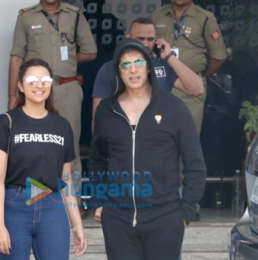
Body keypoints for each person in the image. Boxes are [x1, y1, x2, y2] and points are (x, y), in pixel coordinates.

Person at [89, 38, 206, 260]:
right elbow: (97, 160)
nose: (133, 70)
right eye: (125, 65)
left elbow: (195, 164)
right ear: (118, 71)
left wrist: (186, 211)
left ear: (149, 66)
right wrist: (98, 202)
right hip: (117, 220)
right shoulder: (107, 110)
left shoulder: (174, 108)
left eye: (138, 62)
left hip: (165, 218)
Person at [0, 58, 87, 259]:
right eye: (32, 79)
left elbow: (66, 180)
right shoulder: (5, 123)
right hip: (14, 205)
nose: (39, 85)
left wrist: (77, 225)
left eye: (45, 80)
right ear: (20, 86)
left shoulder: (62, 126)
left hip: (52, 205)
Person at [8, 0, 97, 189]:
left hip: (66, 88)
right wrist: (12, 96)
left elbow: (90, 52)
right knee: (35, 144)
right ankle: (38, 200)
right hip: (35, 89)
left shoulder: (75, 15)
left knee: (69, 146)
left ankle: (73, 201)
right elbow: (17, 57)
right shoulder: (26, 16)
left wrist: (69, 61)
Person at [92, 17, 204, 129]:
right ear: (128, 37)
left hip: (158, 130)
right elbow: (98, 116)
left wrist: (169, 57)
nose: (145, 43)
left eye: (150, 39)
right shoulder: (110, 68)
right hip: (122, 132)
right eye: (140, 39)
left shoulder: (163, 65)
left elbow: (197, 89)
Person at [152, 0, 227, 132]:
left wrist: (199, 76)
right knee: (158, 134)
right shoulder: (157, 15)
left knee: (186, 137)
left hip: (190, 89)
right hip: (162, 84)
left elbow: (218, 56)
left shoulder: (205, 18)